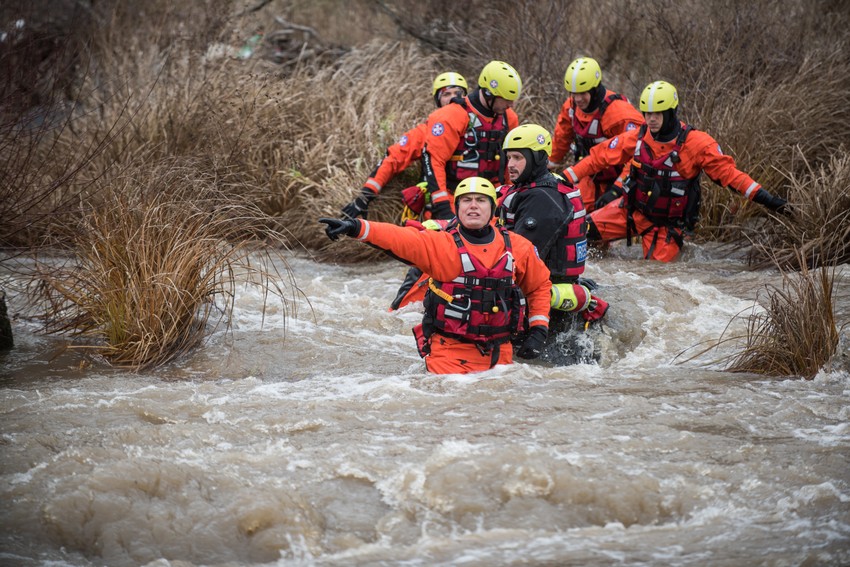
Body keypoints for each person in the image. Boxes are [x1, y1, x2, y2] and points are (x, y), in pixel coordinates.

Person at [320, 177, 552, 375]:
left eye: (481, 200)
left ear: (493, 208)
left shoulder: (518, 247)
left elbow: (539, 286)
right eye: (466, 200)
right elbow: (397, 237)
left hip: (501, 356)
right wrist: (354, 226)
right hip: (449, 356)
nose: (473, 206)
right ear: (457, 208)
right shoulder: (441, 244)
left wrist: (538, 329)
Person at [562, 80, 789, 262]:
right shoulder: (638, 137)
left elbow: (730, 176)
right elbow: (598, 158)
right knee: (578, 231)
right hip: (631, 213)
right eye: (647, 113)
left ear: (671, 112)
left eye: (657, 114)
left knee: (656, 277)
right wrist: (564, 178)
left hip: (666, 227)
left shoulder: (697, 144)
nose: (650, 119)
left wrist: (767, 199)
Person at [497, 124, 609, 364]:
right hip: (555, 291)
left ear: (537, 158)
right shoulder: (538, 187)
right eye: (509, 157)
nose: (511, 164)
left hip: (546, 304)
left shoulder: (542, 200)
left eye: (518, 157)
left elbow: (519, 262)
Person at [341, 72, 469, 220]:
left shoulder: (481, 130)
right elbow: (393, 159)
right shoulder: (425, 132)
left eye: (458, 93)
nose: (453, 98)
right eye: (446, 94)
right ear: (437, 100)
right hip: (441, 210)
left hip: (480, 203)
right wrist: (364, 197)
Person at [549, 57, 644, 213]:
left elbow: (640, 155)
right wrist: (546, 169)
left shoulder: (619, 114)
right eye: (574, 94)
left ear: (594, 89)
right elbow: (561, 140)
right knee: (567, 211)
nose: (578, 99)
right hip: (589, 175)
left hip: (621, 179)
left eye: (583, 93)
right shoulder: (570, 107)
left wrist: (617, 189)